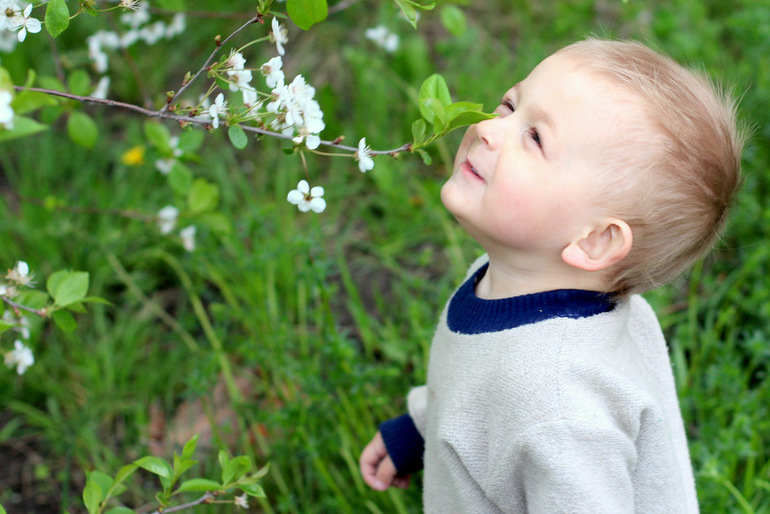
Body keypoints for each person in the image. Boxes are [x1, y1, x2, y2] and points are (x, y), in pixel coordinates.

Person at [359, 38, 745, 513]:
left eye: (536, 138)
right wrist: (419, 427)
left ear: (594, 241)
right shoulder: (503, 275)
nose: (487, 130)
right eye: (509, 106)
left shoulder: (561, 410)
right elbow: (474, 389)